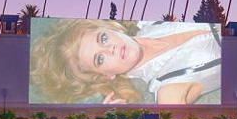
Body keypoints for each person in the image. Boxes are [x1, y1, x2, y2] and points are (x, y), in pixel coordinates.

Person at [29, 19, 222, 105]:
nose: (109, 48)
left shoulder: (149, 23)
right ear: (105, 75)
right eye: (100, 58)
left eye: (103, 39)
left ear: (111, 28)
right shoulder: (168, 89)